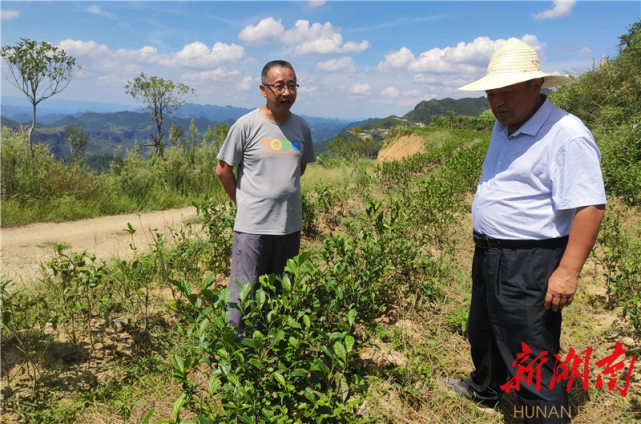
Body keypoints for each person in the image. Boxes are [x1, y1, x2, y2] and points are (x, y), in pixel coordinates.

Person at [446, 38, 606, 423]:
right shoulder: (505, 125)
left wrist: (567, 272)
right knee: (481, 330)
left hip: (529, 260)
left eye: (507, 91)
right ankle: (486, 389)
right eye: (491, 93)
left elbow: (590, 206)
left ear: (536, 86)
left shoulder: (566, 134)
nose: (497, 101)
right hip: (490, 252)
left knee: (530, 350)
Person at [216, 60, 316, 335]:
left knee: (280, 287)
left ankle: (271, 346)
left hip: (289, 225)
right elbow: (223, 170)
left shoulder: (301, 127)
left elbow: (300, 167)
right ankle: (236, 348)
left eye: (292, 85)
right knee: (244, 291)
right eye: (279, 86)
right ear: (263, 89)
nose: (286, 92)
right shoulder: (246, 125)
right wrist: (243, 203)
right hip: (252, 226)